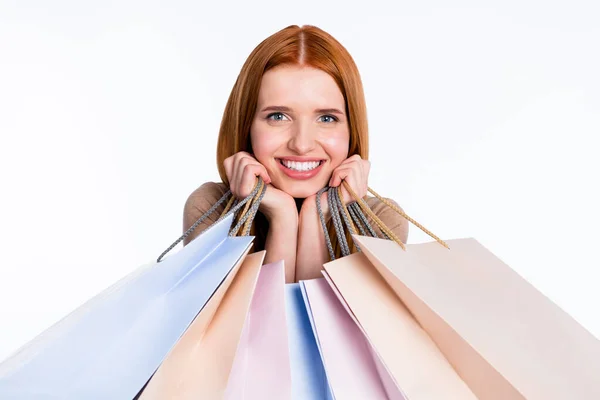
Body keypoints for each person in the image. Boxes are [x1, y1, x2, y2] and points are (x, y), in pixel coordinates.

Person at [182, 24, 408, 283]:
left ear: (351, 130)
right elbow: (257, 324)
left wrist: (315, 218)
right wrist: (283, 218)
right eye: (278, 116)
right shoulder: (212, 209)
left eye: (326, 118)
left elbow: (321, 324)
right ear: (247, 126)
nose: (302, 144)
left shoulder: (380, 221)